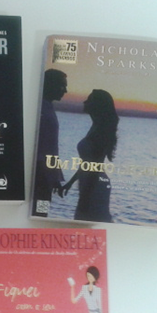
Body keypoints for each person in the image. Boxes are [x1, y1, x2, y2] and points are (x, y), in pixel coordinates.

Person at [59, 89, 119, 222]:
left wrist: (85, 196)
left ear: (97, 105)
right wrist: (70, 183)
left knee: (90, 221)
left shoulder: (101, 131)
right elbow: (86, 164)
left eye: (89, 99)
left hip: (94, 185)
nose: (84, 102)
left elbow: (94, 166)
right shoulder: (96, 127)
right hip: (89, 183)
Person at [32, 69, 67, 217]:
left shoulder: (48, 107)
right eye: (62, 86)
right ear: (50, 84)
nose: (65, 90)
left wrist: (55, 176)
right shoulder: (39, 108)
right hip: (40, 174)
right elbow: (43, 147)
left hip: (46, 175)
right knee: (39, 210)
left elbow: (51, 147)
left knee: (42, 210)